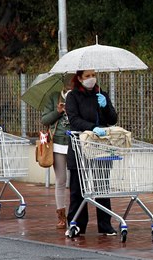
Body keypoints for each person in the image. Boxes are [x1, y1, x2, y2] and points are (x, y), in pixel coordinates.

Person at [65, 69, 119, 236]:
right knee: (78, 188)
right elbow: (74, 119)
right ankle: (77, 224)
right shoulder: (73, 97)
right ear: (80, 78)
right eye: (87, 76)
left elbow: (112, 119)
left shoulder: (101, 93)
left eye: (93, 75)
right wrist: (91, 128)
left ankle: (105, 225)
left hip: (100, 146)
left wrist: (105, 106)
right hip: (80, 146)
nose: (91, 79)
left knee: (102, 185)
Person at [41, 81, 72, 229]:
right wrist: (58, 112)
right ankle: (61, 216)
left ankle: (75, 214)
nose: (70, 83)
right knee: (61, 181)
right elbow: (44, 119)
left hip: (75, 144)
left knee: (76, 182)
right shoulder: (54, 97)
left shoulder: (79, 96)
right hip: (58, 143)